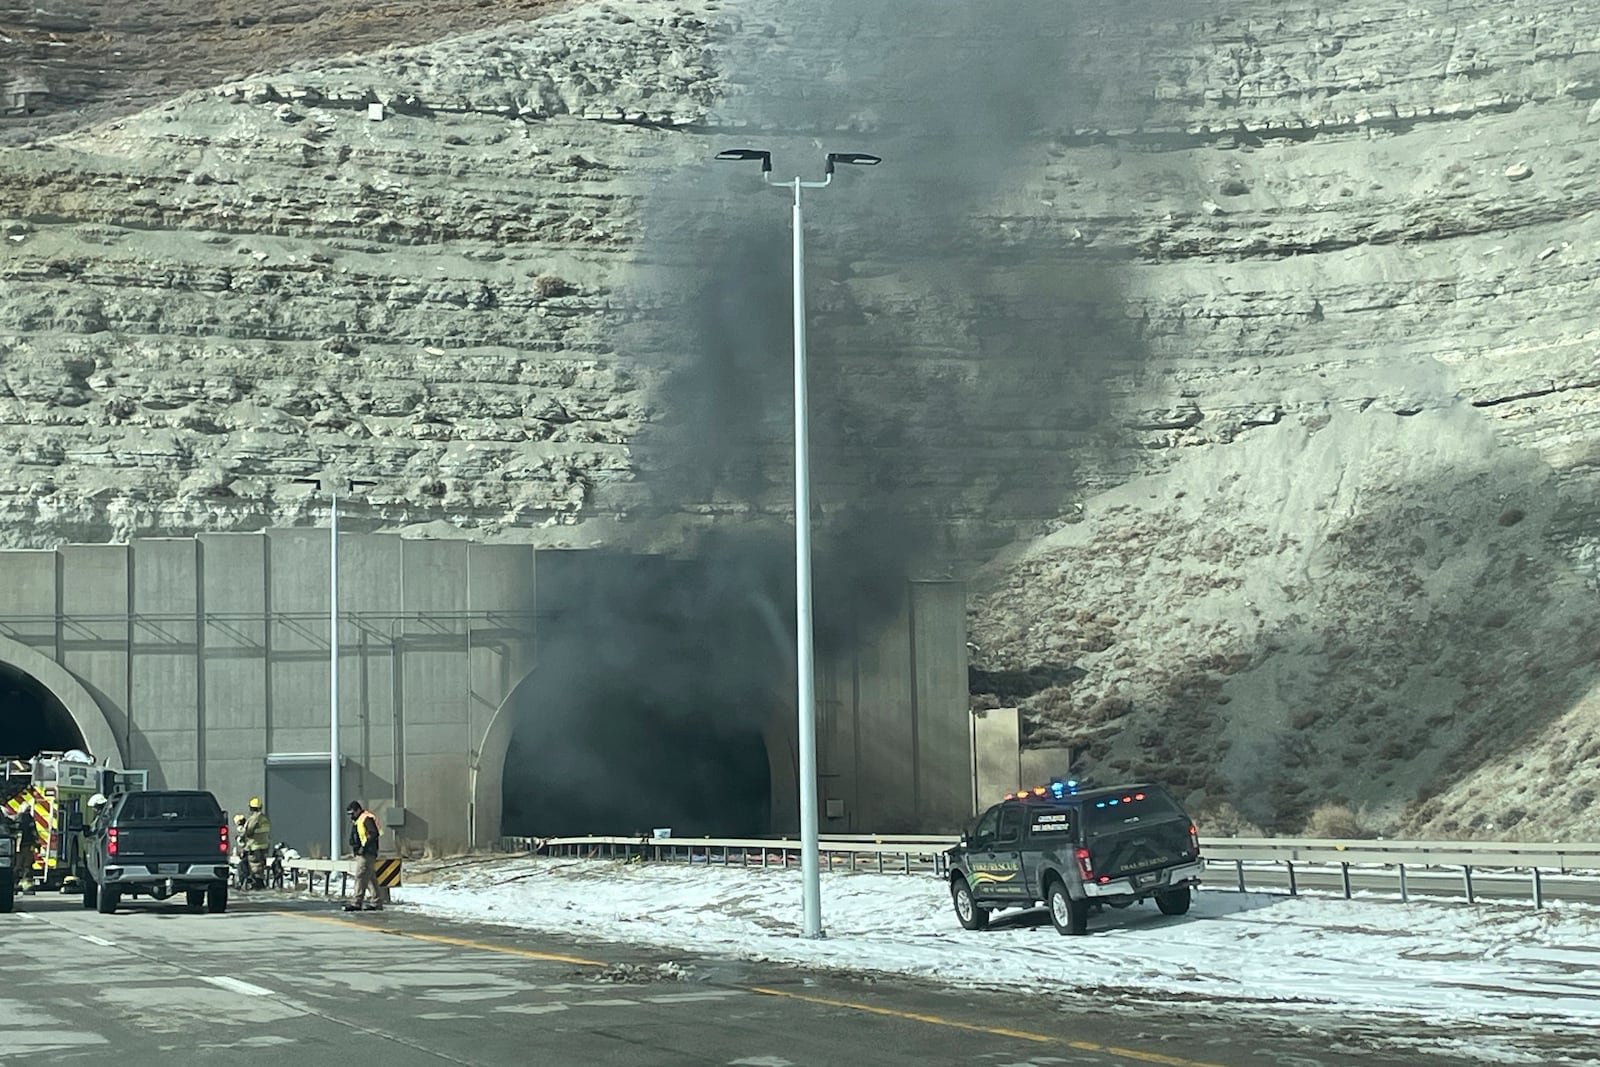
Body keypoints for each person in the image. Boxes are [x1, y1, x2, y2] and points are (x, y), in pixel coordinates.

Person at [344, 800, 382, 912]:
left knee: (360, 877)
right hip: (364, 853)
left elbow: (373, 834)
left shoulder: (366, 818)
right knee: (370, 878)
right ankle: (376, 902)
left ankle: (356, 902)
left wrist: (364, 848)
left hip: (366, 853)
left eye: (352, 813)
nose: (351, 816)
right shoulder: (358, 820)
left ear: (358, 810)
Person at [242, 797, 271, 889]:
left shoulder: (254, 819)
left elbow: (248, 833)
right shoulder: (264, 818)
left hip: (254, 847)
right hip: (264, 847)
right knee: (260, 868)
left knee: (255, 869)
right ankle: (260, 884)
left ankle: (257, 886)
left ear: (251, 808)